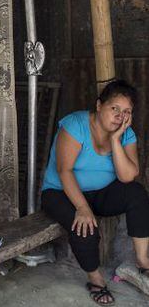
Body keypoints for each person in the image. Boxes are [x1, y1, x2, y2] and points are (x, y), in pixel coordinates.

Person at [41, 80, 149, 306]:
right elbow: (64, 170)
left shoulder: (125, 134)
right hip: (60, 192)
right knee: (86, 227)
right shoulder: (76, 125)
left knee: (137, 194)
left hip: (100, 192)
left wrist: (116, 140)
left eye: (126, 112)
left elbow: (128, 176)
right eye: (114, 109)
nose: (120, 116)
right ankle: (96, 279)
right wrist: (82, 207)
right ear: (99, 106)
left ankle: (142, 259)